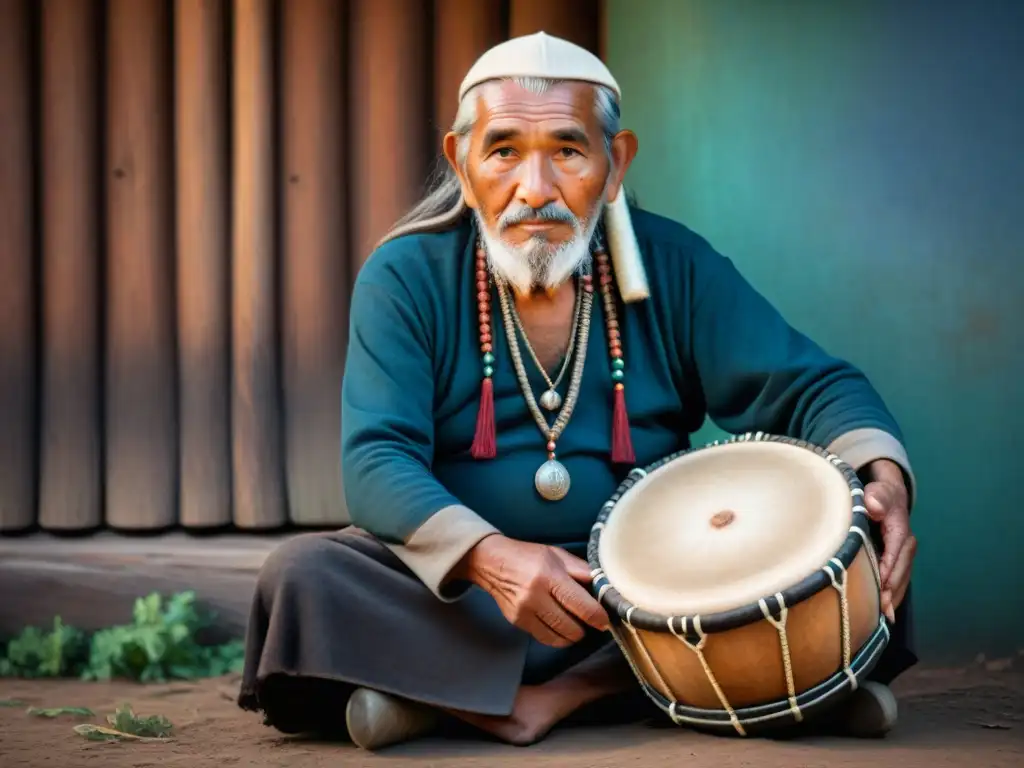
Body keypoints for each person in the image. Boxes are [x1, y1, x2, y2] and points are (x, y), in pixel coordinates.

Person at [237, 32, 918, 751]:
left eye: (567, 150)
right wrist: (493, 560)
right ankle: (761, 691)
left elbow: (815, 386)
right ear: (462, 167)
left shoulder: (676, 265)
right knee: (303, 578)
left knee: (863, 532)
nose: (535, 188)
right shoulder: (405, 276)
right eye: (503, 152)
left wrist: (885, 481)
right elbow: (375, 460)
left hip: (655, 589)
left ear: (613, 163)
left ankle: (505, 703)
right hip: (470, 598)